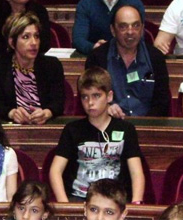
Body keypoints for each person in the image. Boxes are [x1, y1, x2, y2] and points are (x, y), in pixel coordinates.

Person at [49, 67, 145, 203]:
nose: (90, 103)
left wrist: (136, 204)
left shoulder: (126, 129)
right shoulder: (72, 129)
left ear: (109, 96)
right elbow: (55, 171)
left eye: (96, 95)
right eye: (85, 97)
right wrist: (64, 205)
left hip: (115, 201)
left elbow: (136, 173)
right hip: (79, 199)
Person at [86, 5, 169, 118]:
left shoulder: (155, 58)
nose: (130, 31)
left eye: (136, 26)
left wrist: (144, 125)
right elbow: (90, 96)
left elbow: (162, 102)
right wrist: (106, 108)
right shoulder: (97, 57)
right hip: (109, 123)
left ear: (142, 29)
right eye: (123, 27)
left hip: (146, 125)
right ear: (113, 30)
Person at [0, 11, 64, 124]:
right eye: (26, 37)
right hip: (12, 128)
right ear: (12, 42)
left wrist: (47, 113)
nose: (34, 42)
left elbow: (58, 102)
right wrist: (12, 113)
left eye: (36, 36)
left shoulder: (52, 65)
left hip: (44, 126)